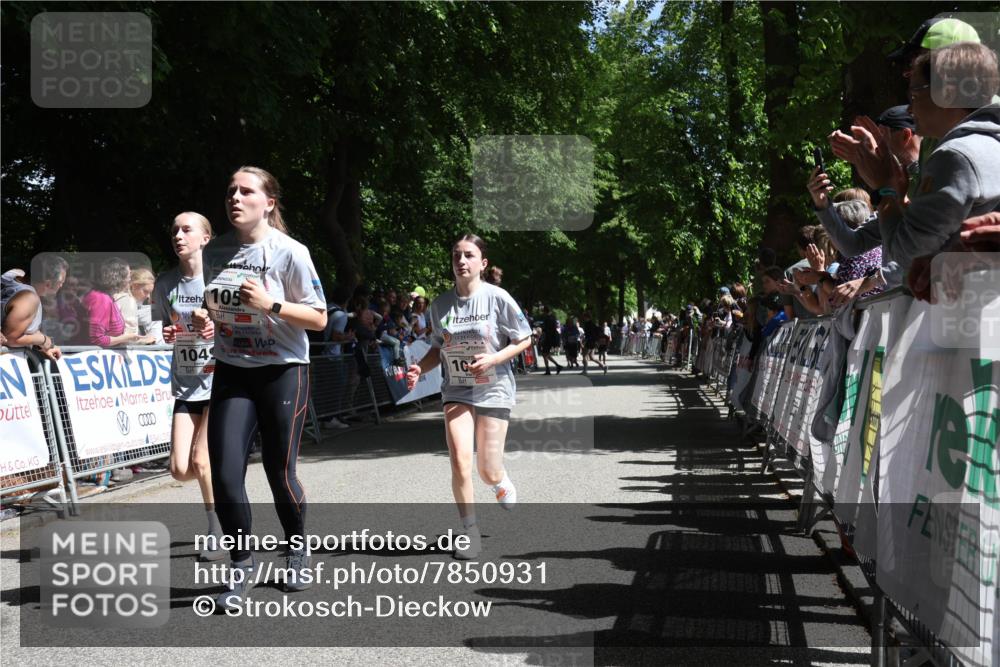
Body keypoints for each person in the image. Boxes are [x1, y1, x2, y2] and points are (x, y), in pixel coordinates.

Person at [192, 166, 327, 610]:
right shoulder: (215, 253)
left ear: (268, 202)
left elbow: (319, 318)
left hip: (282, 370)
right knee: (227, 474)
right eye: (230, 190)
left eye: (246, 191)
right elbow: (216, 306)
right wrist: (205, 319)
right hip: (233, 370)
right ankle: (241, 564)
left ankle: (297, 549)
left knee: (277, 471)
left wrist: (270, 303)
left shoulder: (290, 252)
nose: (235, 197)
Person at [405, 234, 532, 560]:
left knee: (487, 468)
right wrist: (420, 368)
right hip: (457, 389)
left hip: (493, 386)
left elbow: (524, 339)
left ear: (482, 263)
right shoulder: (439, 305)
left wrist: (494, 358)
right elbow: (437, 347)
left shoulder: (497, 298)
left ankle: (499, 479)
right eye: (456, 256)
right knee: (460, 460)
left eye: (469, 255)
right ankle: (469, 533)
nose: (461, 261)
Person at [151, 212, 225, 561]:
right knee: (181, 469)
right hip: (186, 382)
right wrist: (169, 332)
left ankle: (218, 530)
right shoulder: (166, 283)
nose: (178, 235)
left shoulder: (220, 278)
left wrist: (215, 327)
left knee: (202, 459)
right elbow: (168, 328)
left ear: (205, 238)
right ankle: (226, 486)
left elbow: (245, 326)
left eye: (186, 229)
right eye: (174, 230)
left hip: (221, 379)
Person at [80, 257, 144, 348]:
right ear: (119, 277)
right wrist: (126, 338)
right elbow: (97, 339)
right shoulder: (101, 299)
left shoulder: (103, 296)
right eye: (128, 275)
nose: (130, 279)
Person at [1, 271, 62, 360]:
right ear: (48, 283)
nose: (61, 286)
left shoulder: (22, 292)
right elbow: (10, 338)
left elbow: (25, 331)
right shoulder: (28, 298)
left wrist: (45, 345)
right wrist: (43, 340)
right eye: (60, 282)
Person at [538, 306, 562, 375]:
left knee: (544, 353)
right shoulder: (553, 317)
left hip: (548, 338)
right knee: (546, 354)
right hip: (551, 337)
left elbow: (546, 329)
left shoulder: (547, 318)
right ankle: (555, 367)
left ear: (545, 311)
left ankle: (551, 368)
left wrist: (543, 337)